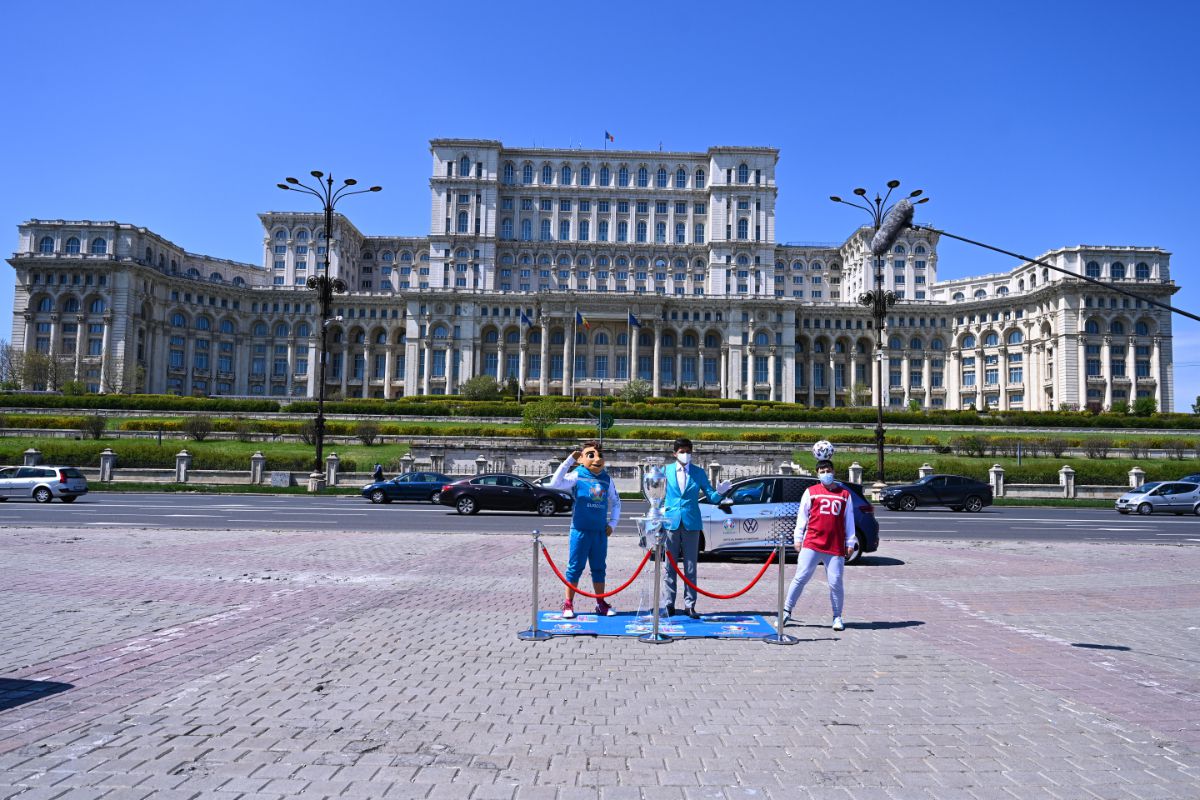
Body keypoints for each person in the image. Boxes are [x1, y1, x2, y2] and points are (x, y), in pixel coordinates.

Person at [548, 440, 621, 619]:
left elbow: (616, 502)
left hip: (599, 533)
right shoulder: (577, 475)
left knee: (599, 568)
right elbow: (555, 483)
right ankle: (568, 603)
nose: (597, 459)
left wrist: (612, 524)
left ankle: (600, 603)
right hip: (580, 530)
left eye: (599, 455)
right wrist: (567, 462)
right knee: (575, 568)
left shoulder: (606, 478)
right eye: (591, 455)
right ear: (581, 459)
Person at [783, 459, 858, 631]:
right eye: (822, 471)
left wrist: (851, 542)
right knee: (800, 578)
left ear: (833, 471)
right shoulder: (811, 492)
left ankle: (837, 616)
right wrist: (798, 538)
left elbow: (849, 520)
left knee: (836, 582)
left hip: (835, 545)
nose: (826, 473)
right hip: (812, 543)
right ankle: (786, 611)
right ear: (817, 474)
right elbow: (802, 516)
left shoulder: (844, 495)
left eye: (828, 470)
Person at [661, 437, 731, 619]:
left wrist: (721, 492)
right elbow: (657, 495)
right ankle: (669, 603)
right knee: (670, 565)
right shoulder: (665, 471)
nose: (685, 455)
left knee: (691, 565)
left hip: (691, 522)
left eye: (688, 451)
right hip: (671, 521)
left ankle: (689, 604)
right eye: (682, 451)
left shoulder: (698, 473)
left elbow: (712, 497)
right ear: (674, 453)